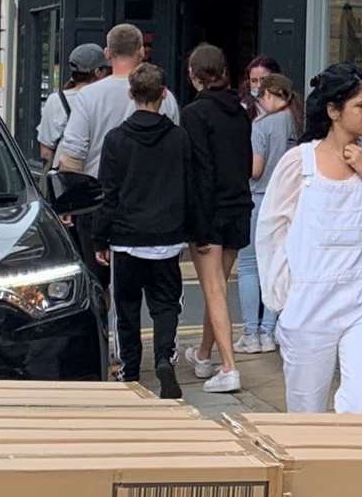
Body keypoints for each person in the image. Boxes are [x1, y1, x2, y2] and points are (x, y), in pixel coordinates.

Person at [256, 64, 362, 413]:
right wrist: (284, 299)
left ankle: (354, 466)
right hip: (310, 300)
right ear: (333, 110)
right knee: (305, 408)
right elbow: (271, 233)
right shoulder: (299, 163)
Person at [90, 63, 192, 401]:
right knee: (166, 305)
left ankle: (129, 369)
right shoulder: (179, 138)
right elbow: (190, 188)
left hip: (126, 238)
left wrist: (99, 238)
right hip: (166, 237)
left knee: (126, 307)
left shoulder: (116, 139)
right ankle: (165, 357)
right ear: (163, 95)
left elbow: (109, 194)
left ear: (131, 94)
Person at [57, 24, 180, 290]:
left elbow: (73, 155)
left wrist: (69, 203)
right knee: (149, 293)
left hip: (96, 203)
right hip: (152, 206)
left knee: (97, 284)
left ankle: (105, 331)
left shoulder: (88, 96)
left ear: (107, 53)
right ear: (142, 52)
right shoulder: (164, 97)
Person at [181, 43, 253, 395]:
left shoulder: (194, 114)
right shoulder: (241, 113)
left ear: (195, 76)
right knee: (219, 289)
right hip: (239, 206)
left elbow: (200, 172)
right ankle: (205, 355)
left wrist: (198, 222)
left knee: (213, 289)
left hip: (210, 211)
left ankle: (228, 367)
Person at [236, 73, 303, 354]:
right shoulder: (299, 123)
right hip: (291, 203)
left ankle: (252, 333)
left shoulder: (262, 125)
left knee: (250, 266)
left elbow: (256, 169)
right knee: (279, 265)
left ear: (268, 95)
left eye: (260, 97)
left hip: (261, 200)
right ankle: (270, 330)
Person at [37, 43, 109, 165]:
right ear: (98, 72)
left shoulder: (56, 100)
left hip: (66, 179)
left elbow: (46, 151)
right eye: (106, 69)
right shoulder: (107, 100)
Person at [241, 54, 281, 121]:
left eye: (264, 80)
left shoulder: (289, 107)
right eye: (254, 81)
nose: (259, 85)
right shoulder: (243, 109)